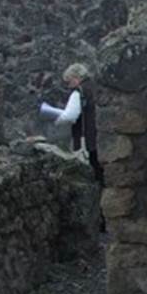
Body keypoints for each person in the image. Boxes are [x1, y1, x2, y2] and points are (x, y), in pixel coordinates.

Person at [41, 62, 106, 230]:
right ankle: (105, 219)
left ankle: (97, 221)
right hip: (101, 139)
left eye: (69, 82)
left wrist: (54, 116)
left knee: (91, 180)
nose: (68, 86)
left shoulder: (79, 93)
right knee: (102, 179)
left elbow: (70, 116)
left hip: (86, 141)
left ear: (76, 78)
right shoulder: (96, 87)